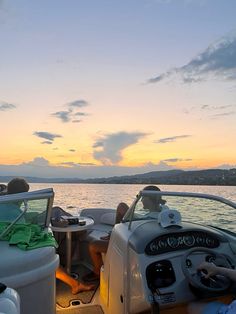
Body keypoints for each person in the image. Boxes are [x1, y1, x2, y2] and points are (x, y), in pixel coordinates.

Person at [84, 185, 164, 282]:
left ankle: (98, 273)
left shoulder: (148, 219)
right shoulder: (164, 212)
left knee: (93, 245)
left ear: (150, 199)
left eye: (143, 198)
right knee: (121, 206)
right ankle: (112, 235)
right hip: (142, 244)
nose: (141, 200)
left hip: (131, 247)